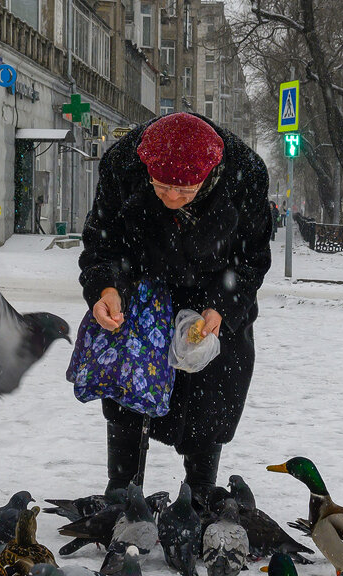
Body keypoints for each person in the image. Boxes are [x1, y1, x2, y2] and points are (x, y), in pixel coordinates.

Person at [78, 112, 272, 503]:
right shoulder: (123, 165)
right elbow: (103, 241)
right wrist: (106, 288)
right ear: (147, 168)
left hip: (213, 293)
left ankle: (199, 491)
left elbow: (251, 257)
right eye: (163, 186)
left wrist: (220, 306)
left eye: (185, 190)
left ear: (211, 172)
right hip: (141, 290)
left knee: (211, 391)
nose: (171, 198)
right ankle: (121, 491)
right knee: (127, 386)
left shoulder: (245, 173)